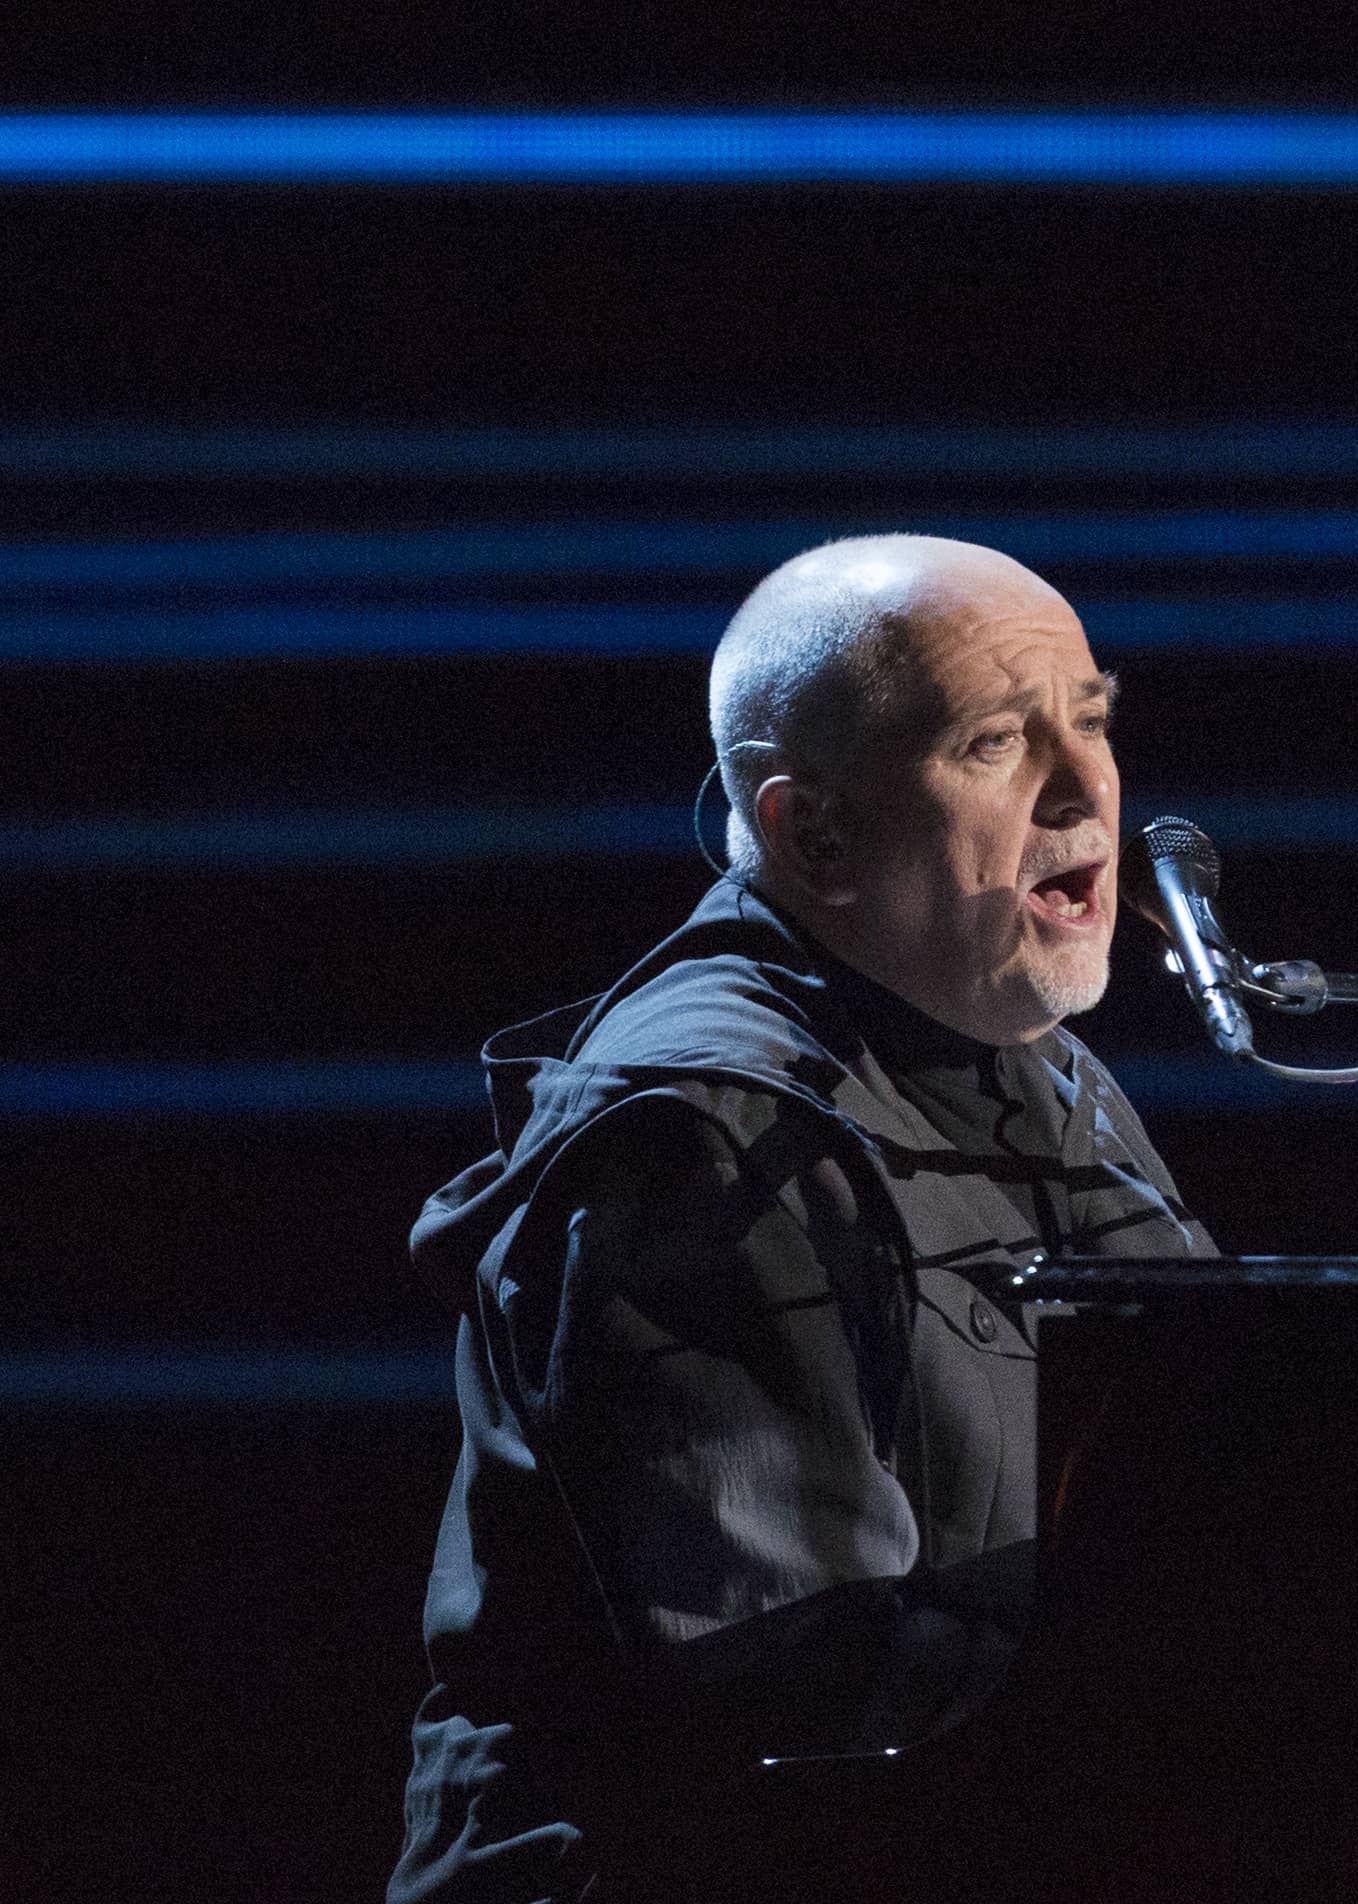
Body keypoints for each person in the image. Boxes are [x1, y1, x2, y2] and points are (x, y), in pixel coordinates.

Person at [389, 535, 1213, 1904]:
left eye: (1091, 723)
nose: (1087, 795)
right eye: (1000, 743)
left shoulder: (1026, 1048)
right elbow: (801, 1693)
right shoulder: (700, 1133)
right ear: (813, 832)